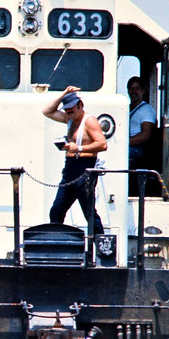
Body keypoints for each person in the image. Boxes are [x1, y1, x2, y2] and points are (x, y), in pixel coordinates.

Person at [42, 86, 107, 234]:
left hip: (84, 169)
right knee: (57, 210)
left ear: (80, 105)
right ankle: (58, 245)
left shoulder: (89, 121)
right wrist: (64, 94)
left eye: (72, 109)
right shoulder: (69, 119)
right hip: (70, 170)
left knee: (89, 213)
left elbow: (102, 144)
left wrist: (78, 149)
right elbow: (47, 111)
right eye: (67, 110)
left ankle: (103, 250)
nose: (69, 113)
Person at [127, 77, 156, 161]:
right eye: (130, 89)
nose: (133, 92)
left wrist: (125, 143)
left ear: (143, 91)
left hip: (136, 148)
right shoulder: (126, 108)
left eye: (136, 89)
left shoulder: (147, 110)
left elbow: (145, 135)